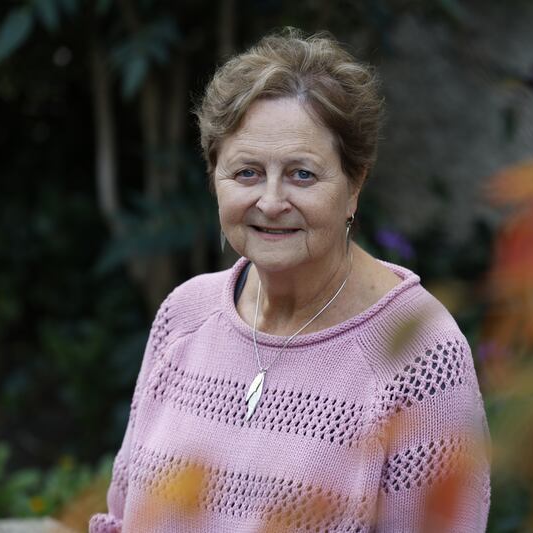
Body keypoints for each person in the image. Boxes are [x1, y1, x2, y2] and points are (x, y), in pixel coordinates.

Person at [89, 28, 490, 532]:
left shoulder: (418, 354)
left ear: (354, 183)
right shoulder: (185, 316)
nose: (272, 202)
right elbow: (124, 515)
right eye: (247, 172)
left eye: (302, 174)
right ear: (214, 176)